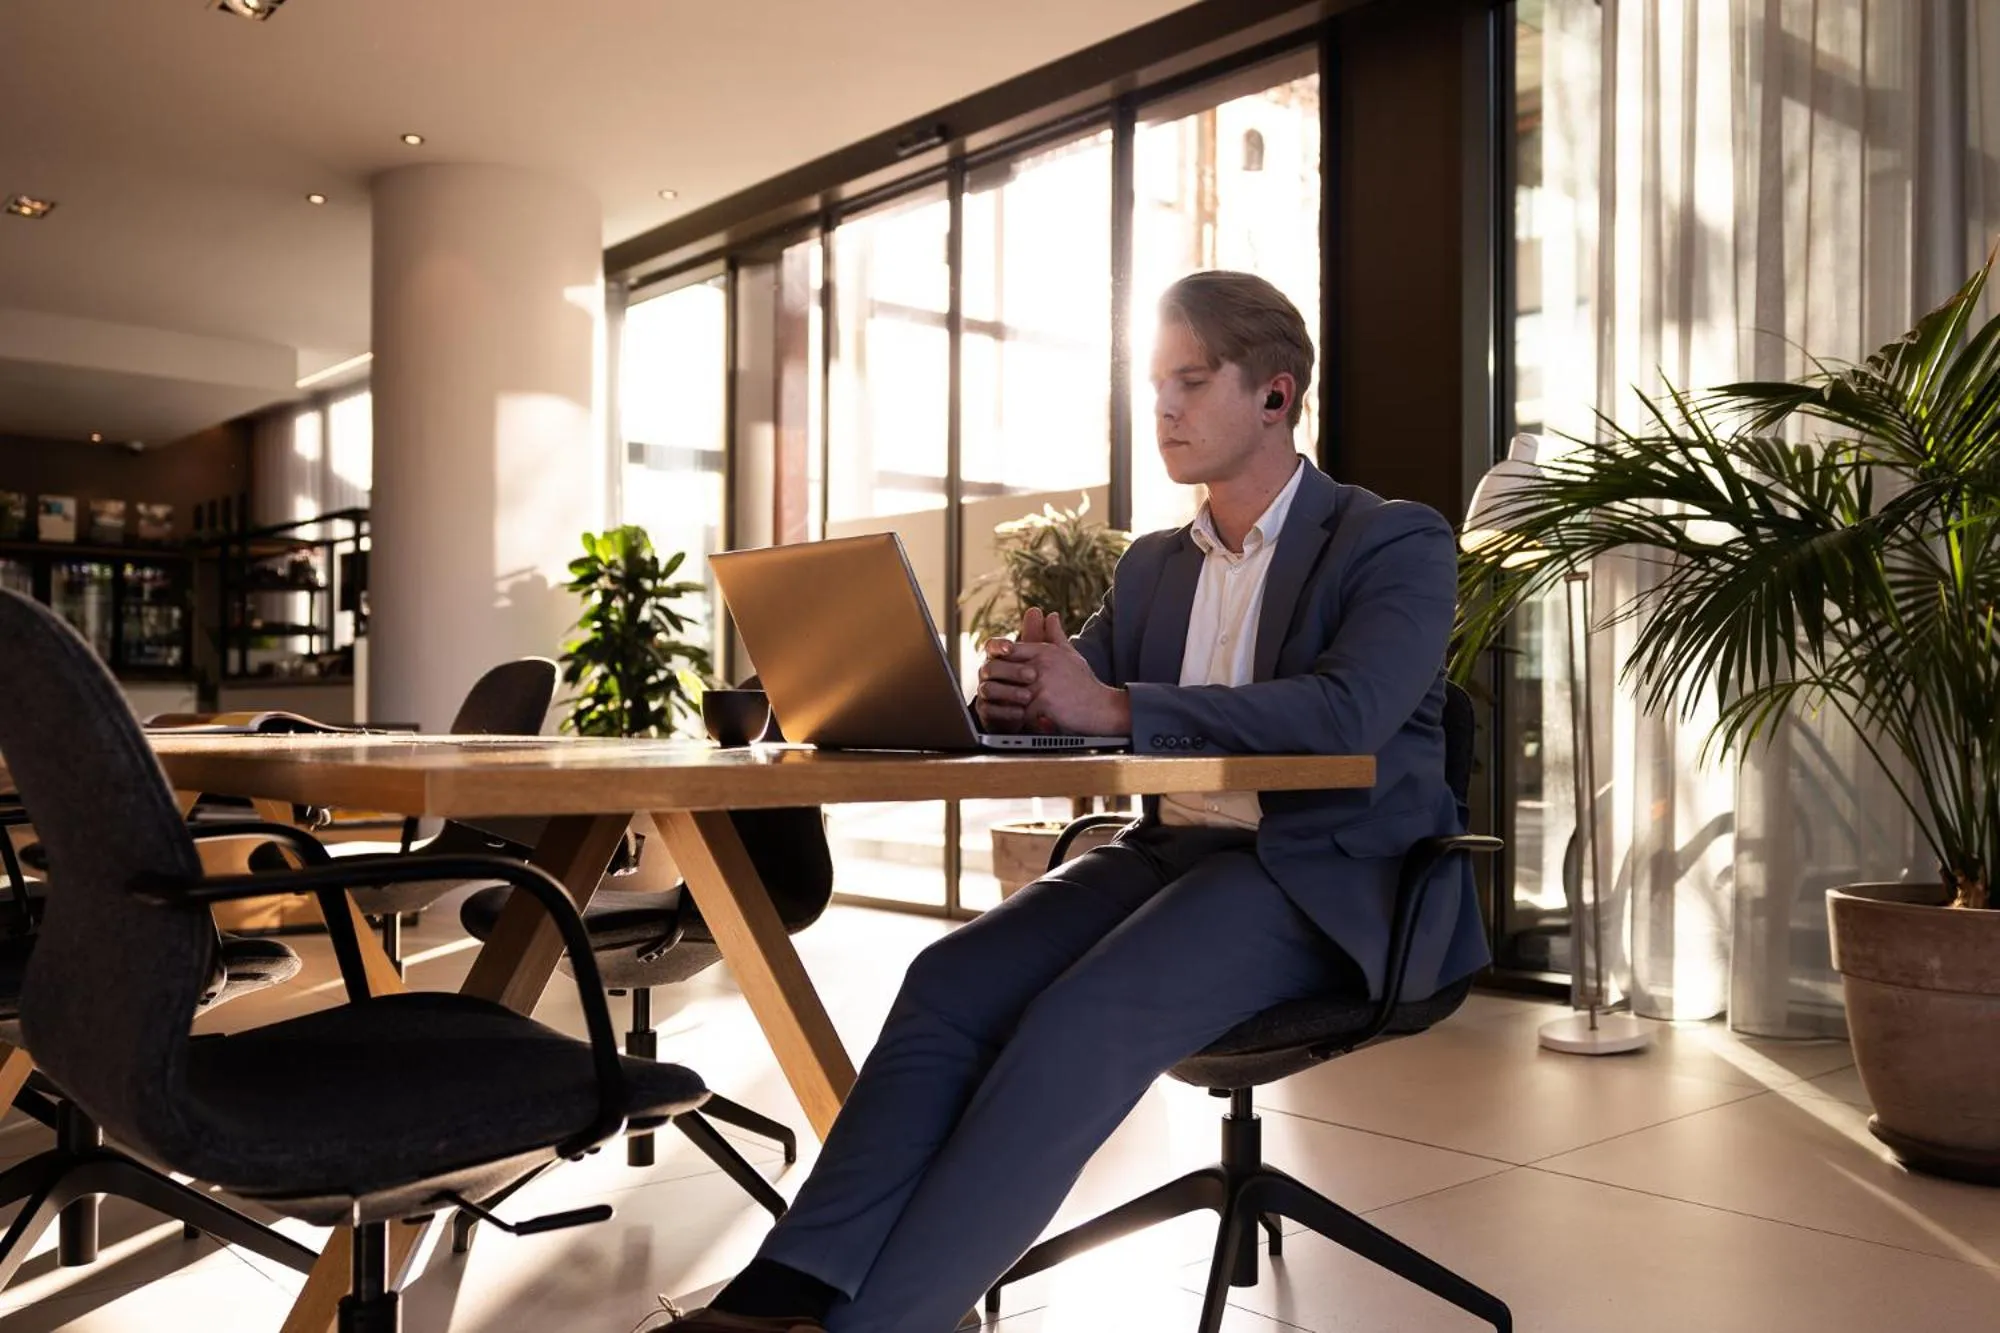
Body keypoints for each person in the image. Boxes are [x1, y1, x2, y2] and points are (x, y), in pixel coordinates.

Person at [652, 270, 1489, 1333]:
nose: (1163, 408)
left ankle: (885, 1321)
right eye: (1154, 384)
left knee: (1075, 1020)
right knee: (950, 978)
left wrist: (1113, 701)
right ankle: (784, 1290)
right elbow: (1085, 702)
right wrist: (1019, 695)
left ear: (1276, 395)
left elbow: (1348, 713)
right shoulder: (1154, 568)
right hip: (1169, 855)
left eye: (1190, 381)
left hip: (1325, 874)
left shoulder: (1391, 540)